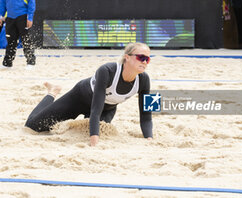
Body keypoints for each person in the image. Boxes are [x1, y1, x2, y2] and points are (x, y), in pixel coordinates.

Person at [25, 42, 153, 146]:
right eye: (141, 57)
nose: (145, 62)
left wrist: (149, 139)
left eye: (148, 59)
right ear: (127, 57)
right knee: (33, 127)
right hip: (78, 99)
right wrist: (94, 143)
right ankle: (52, 92)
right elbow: (95, 109)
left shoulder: (145, 80)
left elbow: (147, 115)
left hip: (106, 110)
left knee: (87, 131)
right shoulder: (107, 70)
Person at [0, 0, 36, 69]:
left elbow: (31, 2)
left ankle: (31, 62)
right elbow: (2, 3)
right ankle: (7, 63)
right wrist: (1, 16)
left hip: (23, 16)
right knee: (10, 41)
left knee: (26, 40)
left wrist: (30, 17)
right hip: (10, 18)